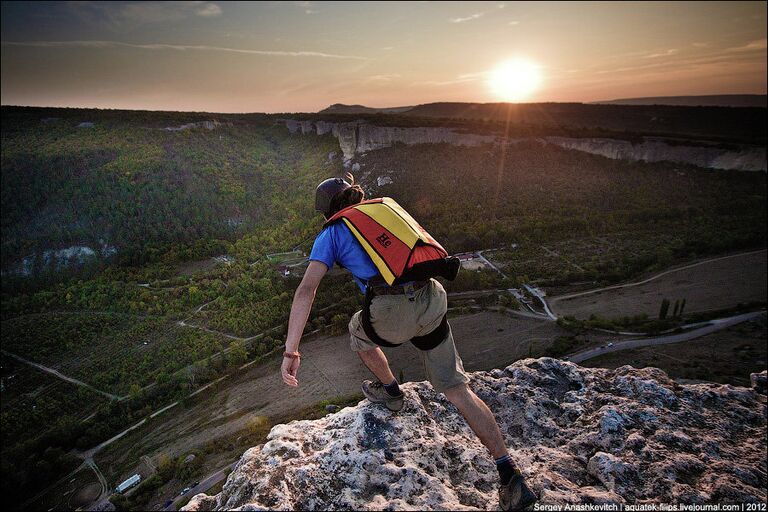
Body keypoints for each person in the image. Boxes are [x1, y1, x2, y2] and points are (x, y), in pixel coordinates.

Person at [280, 174, 537, 511]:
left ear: (326, 211)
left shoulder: (332, 232)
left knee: (357, 328)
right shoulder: (384, 210)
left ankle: (390, 392)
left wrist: (291, 350)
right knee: (458, 389)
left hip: (391, 310)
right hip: (431, 297)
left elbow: (307, 290)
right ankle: (510, 474)